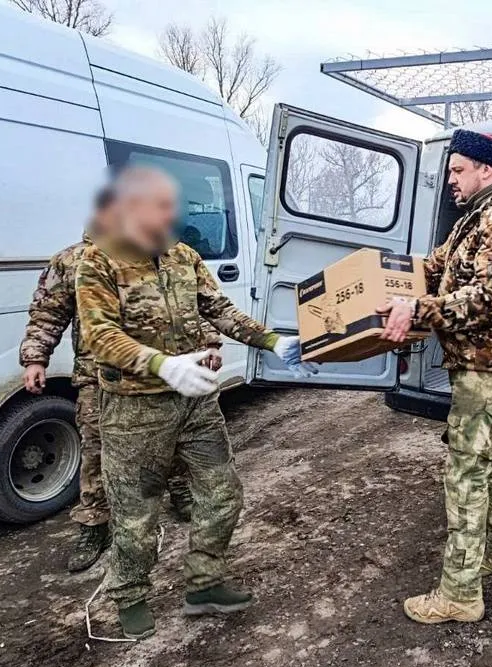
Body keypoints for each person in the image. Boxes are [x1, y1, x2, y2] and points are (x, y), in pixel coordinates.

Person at [75, 166, 311, 640]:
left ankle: (205, 584)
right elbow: (99, 335)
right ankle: (130, 595)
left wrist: (271, 340)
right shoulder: (97, 262)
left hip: (196, 405)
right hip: (135, 409)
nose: (170, 217)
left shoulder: (183, 256)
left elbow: (218, 309)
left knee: (222, 494)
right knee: (136, 513)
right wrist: (162, 365)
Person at [378, 129, 492, 624]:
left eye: (457, 169)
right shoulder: (472, 218)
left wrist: (418, 310)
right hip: (477, 368)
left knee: (465, 477)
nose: (450, 178)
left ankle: (460, 594)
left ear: (485, 170)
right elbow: (435, 266)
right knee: (482, 467)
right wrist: (384, 283)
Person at [19, 187, 221, 573]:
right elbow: (48, 313)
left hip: (168, 369)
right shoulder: (73, 260)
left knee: (177, 435)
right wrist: (35, 358)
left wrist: (210, 343)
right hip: (102, 377)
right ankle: (95, 523)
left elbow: (202, 303)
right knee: (97, 450)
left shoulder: (166, 251)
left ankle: (180, 492)